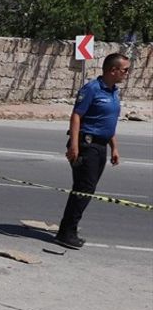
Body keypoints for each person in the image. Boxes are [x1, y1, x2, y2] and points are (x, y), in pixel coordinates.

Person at [55, 52, 131, 249]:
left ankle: (69, 229)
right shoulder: (92, 89)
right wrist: (74, 145)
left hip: (101, 146)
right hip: (86, 145)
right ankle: (66, 232)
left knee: (87, 190)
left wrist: (114, 147)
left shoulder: (113, 91)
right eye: (125, 70)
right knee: (83, 189)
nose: (127, 73)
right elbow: (76, 116)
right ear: (113, 70)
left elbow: (108, 122)